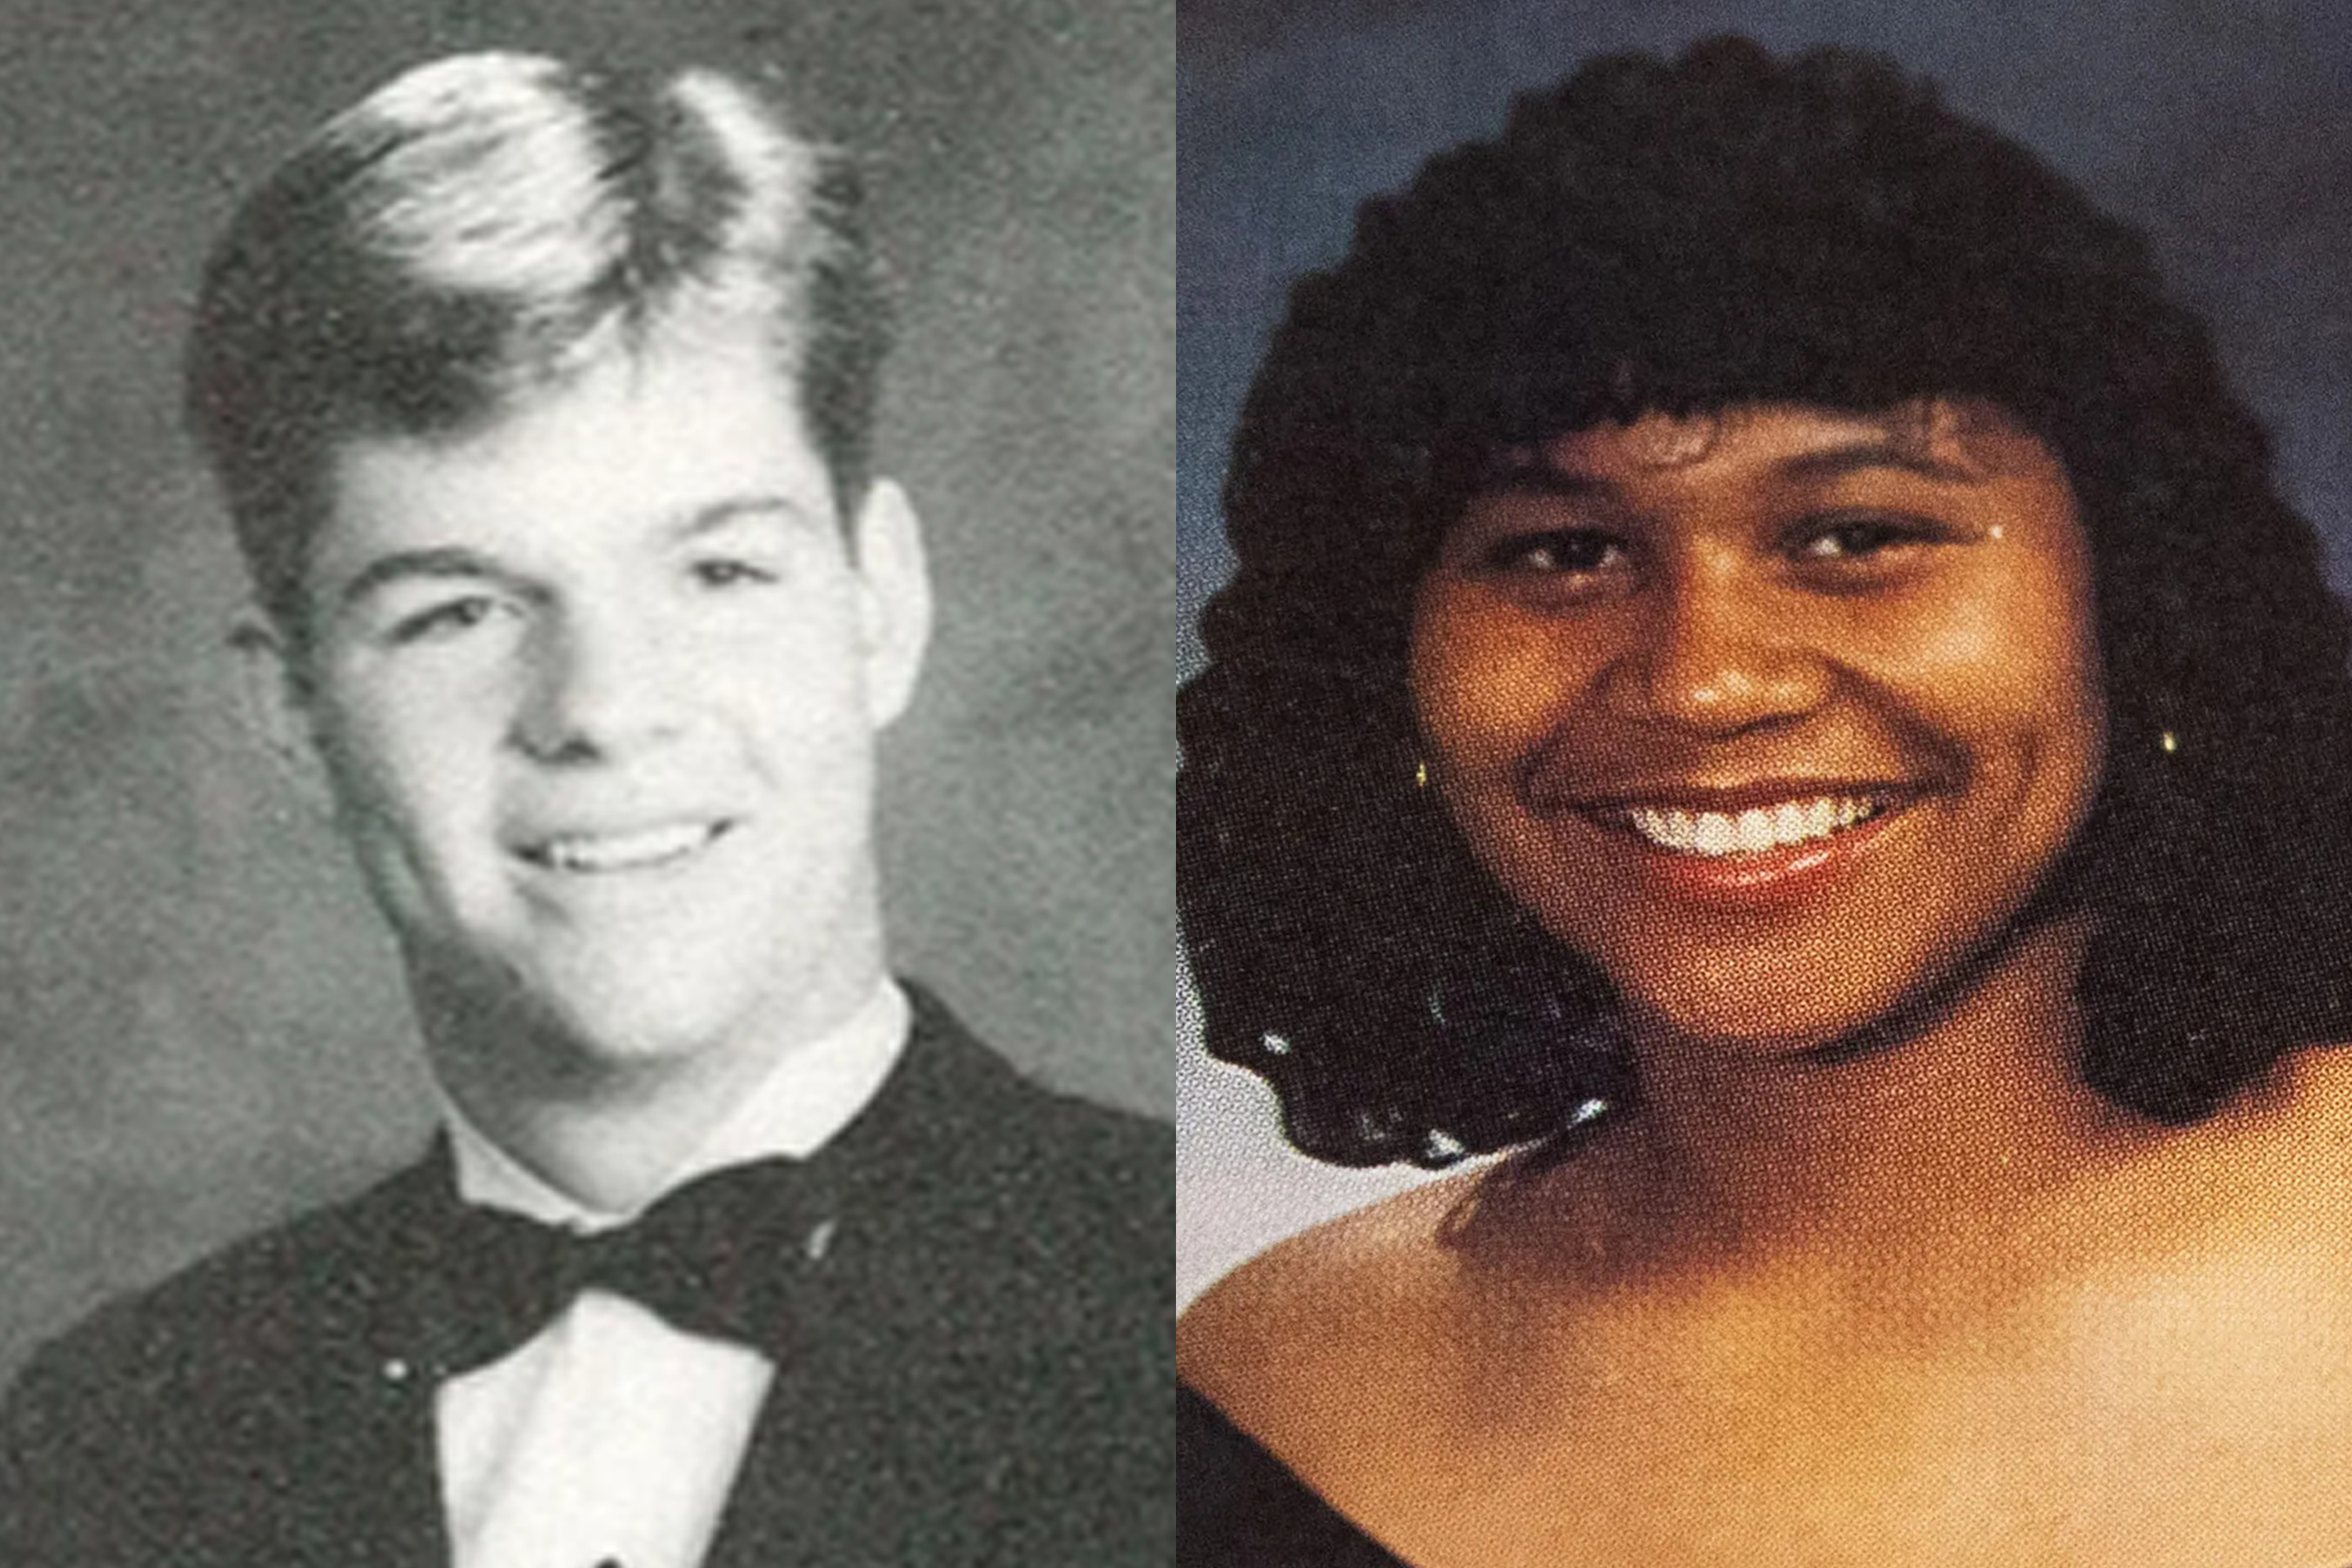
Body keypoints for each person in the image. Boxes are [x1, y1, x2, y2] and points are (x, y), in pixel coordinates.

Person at [1177, 35, 2352, 1568]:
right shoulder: (1276, 1395)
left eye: (1857, 534)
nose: (1706, 680)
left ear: (2141, 606)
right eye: (1561, 552)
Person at [0, 52, 1170, 1568]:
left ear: (878, 603)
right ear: (290, 710)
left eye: (718, 572)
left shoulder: (1217, 1319)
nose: (605, 710)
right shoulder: (109, 1442)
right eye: (460, 610)